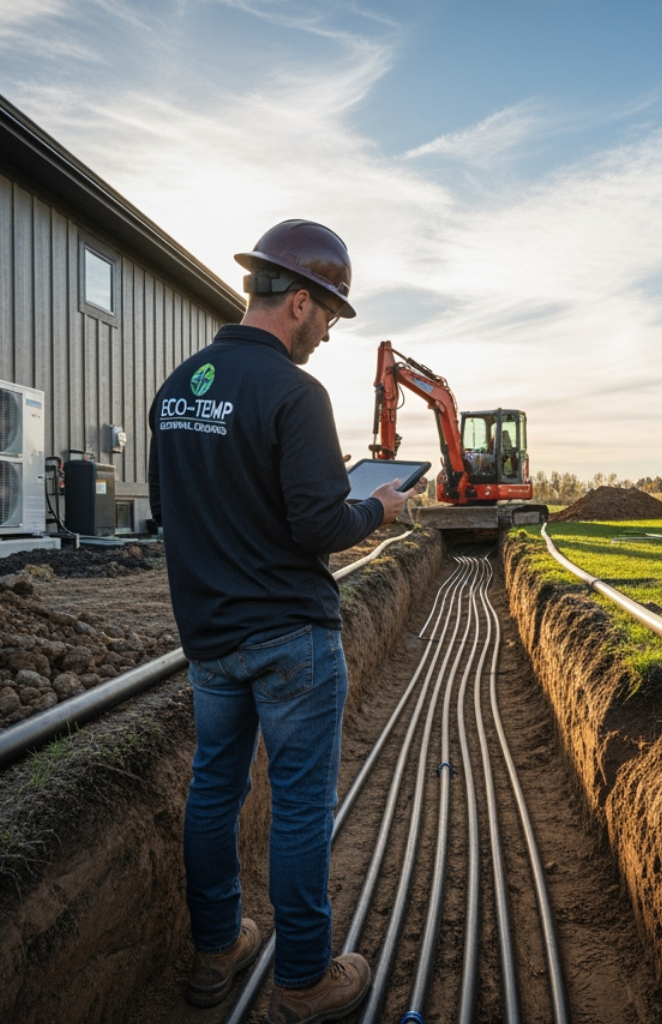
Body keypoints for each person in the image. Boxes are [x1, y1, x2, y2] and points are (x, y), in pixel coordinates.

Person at [148, 219, 420, 1021]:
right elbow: (317, 528)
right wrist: (377, 504)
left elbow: (175, 509)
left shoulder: (177, 387)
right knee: (299, 808)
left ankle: (217, 948)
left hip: (211, 643)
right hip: (290, 639)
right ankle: (303, 980)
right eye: (329, 318)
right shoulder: (295, 392)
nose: (328, 335)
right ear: (298, 300)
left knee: (214, 793)